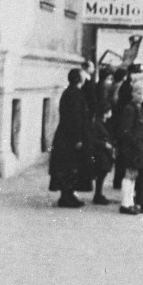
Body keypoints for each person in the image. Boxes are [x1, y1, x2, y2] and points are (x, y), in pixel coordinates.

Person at [49, 68, 92, 208]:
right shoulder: (75, 94)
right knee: (69, 167)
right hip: (71, 137)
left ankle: (69, 194)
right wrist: (78, 138)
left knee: (70, 167)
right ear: (79, 79)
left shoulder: (70, 92)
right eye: (83, 76)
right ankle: (66, 196)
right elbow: (75, 118)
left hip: (66, 135)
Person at [117, 75, 143, 215]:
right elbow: (126, 130)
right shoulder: (130, 109)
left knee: (133, 175)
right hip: (131, 148)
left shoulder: (138, 108)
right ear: (132, 93)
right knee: (129, 175)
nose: (141, 96)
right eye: (138, 93)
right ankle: (125, 203)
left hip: (136, 147)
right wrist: (136, 144)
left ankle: (130, 202)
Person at [88, 107, 116, 205]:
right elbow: (93, 139)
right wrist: (104, 144)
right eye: (109, 111)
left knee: (102, 174)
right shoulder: (97, 124)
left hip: (104, 153)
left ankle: (98, 194)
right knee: (101, 174)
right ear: (105, 113)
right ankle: (98, 194)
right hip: (100, 153)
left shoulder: (103, 123)